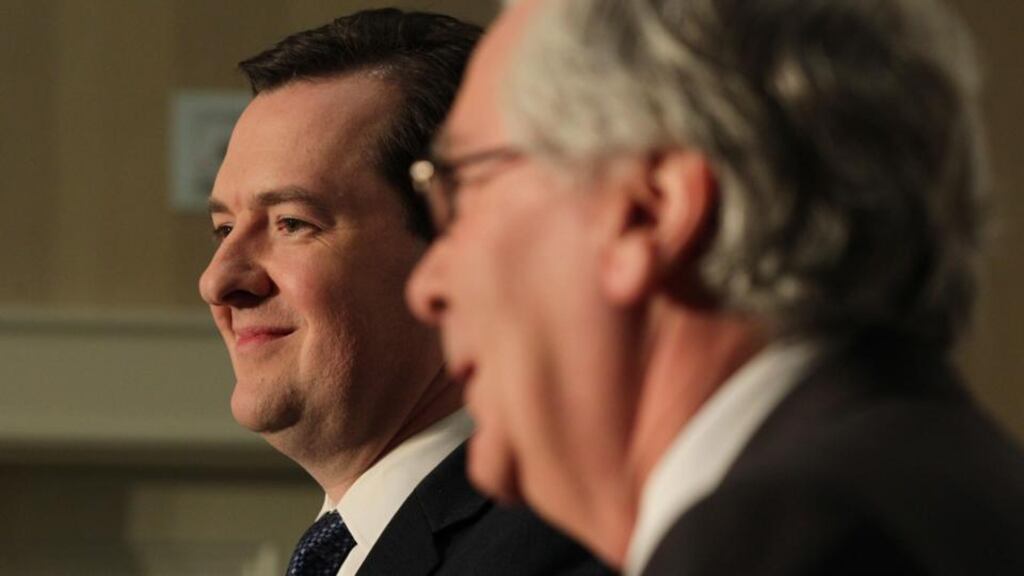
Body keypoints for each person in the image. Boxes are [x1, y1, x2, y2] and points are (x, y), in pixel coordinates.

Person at [406, 0, 1024, 574]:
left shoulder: (783, 543)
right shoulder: (957, 486)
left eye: (460, 190)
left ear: (650, 210)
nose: (425, 289)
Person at [198, 8, 608, 576]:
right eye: (224, 229)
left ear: (461, 247)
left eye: (291, 223)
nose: (217, 281)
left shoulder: (564, 551)